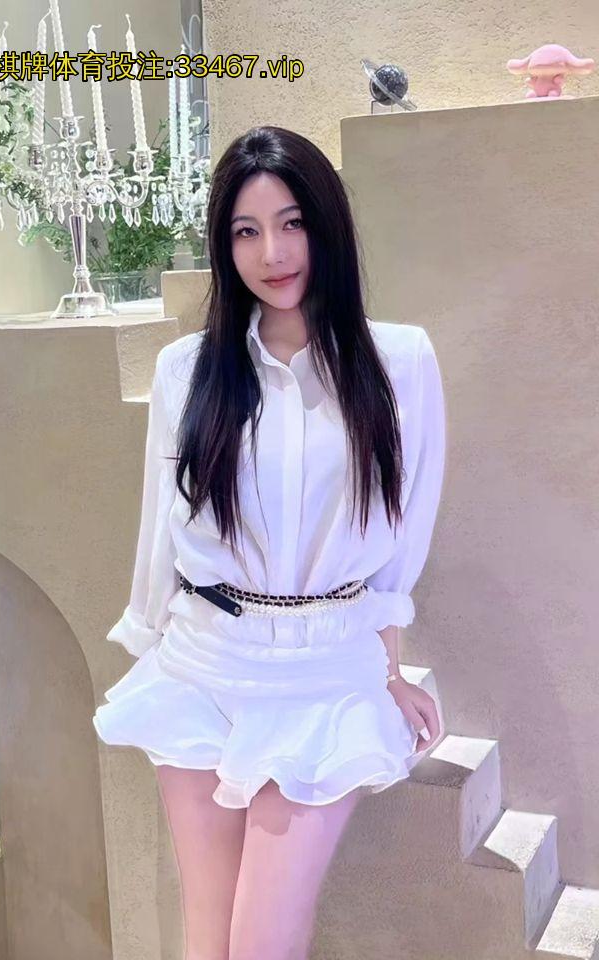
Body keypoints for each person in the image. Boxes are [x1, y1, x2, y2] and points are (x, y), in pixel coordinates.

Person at [92, 125, 446, 960]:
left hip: (325, 676)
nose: (273, 253)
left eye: (292, 223)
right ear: (224, 248)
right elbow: (162, 525)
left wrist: (389, 669)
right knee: (208, 937)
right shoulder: (188, 370)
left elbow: (402, 533)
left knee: (260, 944)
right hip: (204, 665)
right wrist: (148, 641)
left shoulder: (400, 362)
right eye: (245, 232)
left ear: (327, 226)